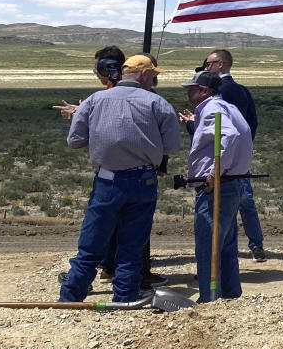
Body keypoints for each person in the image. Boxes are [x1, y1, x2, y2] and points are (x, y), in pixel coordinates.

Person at [58, 55, 180, 303]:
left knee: (91, 245)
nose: (154, 79)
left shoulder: (94, 100)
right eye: (153, 75)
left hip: (107, 180)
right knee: (131, 246)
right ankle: (124, 300)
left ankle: (70, 300)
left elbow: (74, 141)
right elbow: (172, 145)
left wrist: (104, 140)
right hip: (143, 181)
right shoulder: (158, 103)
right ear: (145, 75)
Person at [186, 49, 266, 263]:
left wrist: (193, 125)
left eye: (208, 64)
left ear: (220, 64)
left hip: (224, 165)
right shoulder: (240, 89)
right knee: (239, 206)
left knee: (226, 212)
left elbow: (226, 132)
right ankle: (255, 245)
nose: (206, 67)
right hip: (235, 160)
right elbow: (250, 124)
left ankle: (215, 268)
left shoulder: (223, 91)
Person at [180, 70, 254, 303]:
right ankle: (230, 296)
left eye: (192, 88)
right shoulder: (227, 107)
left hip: (216, 187)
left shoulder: (212, 109)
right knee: (225, 246)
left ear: (205, 91)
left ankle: (210, 298)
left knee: (208, 246)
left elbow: (229, 136)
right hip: (233, 184)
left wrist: (215, 173)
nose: (189, 91)